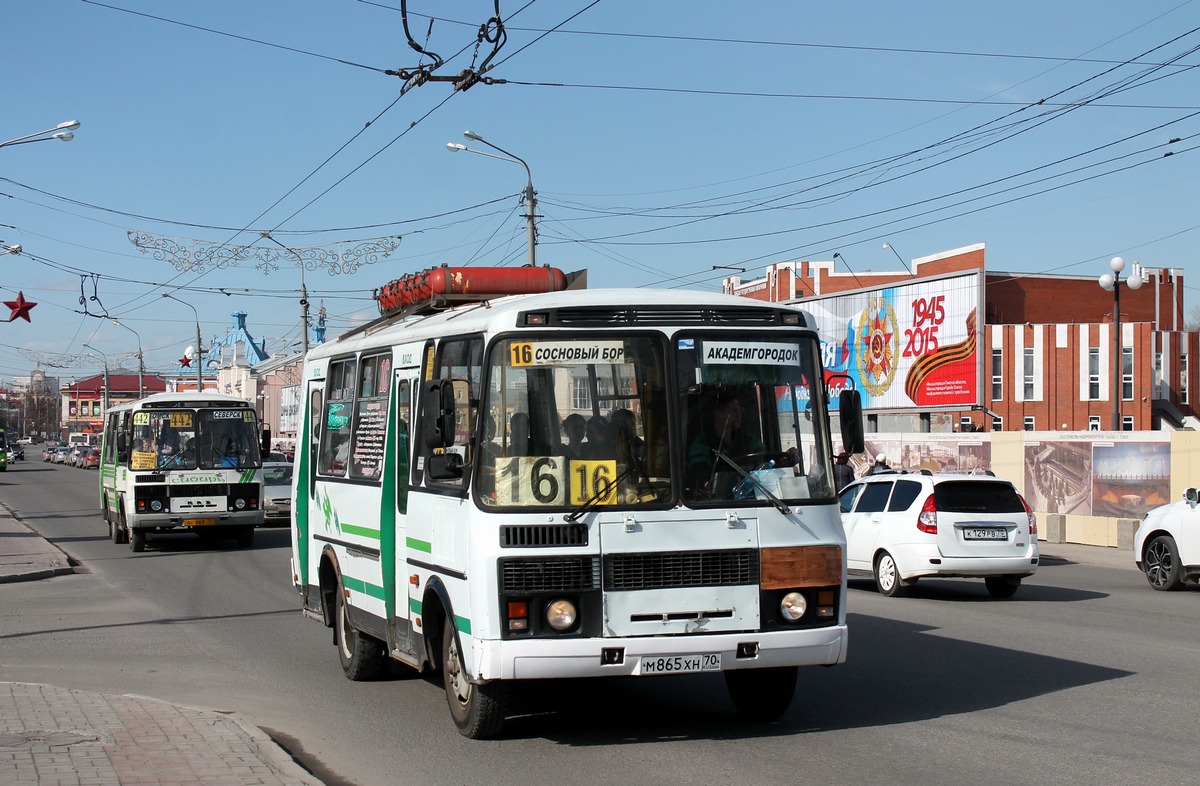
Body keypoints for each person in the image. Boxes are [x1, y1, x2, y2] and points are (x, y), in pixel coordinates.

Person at [686, 395, 765, 495]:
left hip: (751, 496)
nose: (738, 415)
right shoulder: (702, 442)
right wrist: (707, 483)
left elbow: (764, 457)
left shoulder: (749, 440)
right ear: (718, 414)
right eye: (733, 410)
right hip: (717, 500)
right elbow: (698, 471)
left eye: (739, 411)